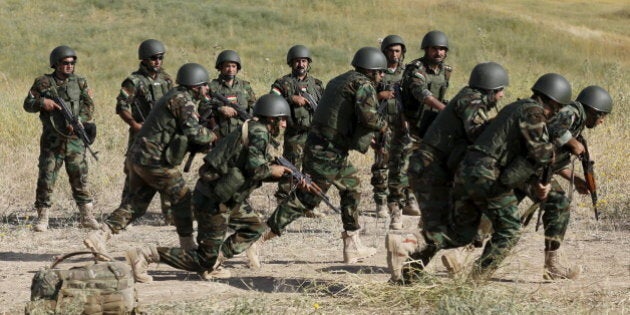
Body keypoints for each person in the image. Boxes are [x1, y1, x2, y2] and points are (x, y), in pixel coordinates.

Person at [386, 73, 572, 283]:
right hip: (486, 175)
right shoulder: (533, 113)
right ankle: (475, 283)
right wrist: (557, 152)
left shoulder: (514, 108)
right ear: (555, 102)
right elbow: (541, 152)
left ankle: (409, 262)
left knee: (461, 233)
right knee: (509, 229)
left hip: (466, 172)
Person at [124, 94, 296, 282]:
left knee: (254, 227)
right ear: (272, 118)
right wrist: (276, 171)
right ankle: (147, 255)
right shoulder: (259, 133)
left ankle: (216, 260)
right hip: (213, 200)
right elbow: (256, 170)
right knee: (203, 261)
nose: (284, 125)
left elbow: (249, 168)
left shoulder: (254, 129)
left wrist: (284, 173)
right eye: (282, 120)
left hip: (226, 195)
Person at [254, 47, 389, 264]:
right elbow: (370, 118)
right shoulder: (363, 84)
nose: (382, 76)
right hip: (327, 152)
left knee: (352, 187)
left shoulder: (340, 80)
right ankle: (257, 238)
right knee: (306, 200)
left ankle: (352, 243)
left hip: (324, 147)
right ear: (370, 70)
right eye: (379, 72)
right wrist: (385, 128)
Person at [84, 63, 217, 256]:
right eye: (204, 85)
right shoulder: (183, 100)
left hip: (139, 157)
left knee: (135, 205)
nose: (206, 89)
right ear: (196, 85)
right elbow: (195, 133)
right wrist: (215, 136)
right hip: (154, 159)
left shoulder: (173, 96)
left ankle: (100, 236)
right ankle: (188, 245)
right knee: (182, 195)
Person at [406, 62, 509, 271]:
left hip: (432, 167)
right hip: (430, 168)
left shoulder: (467, 97)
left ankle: (408, 271)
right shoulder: (471, 100)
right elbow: (477, 133)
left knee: (439, 223)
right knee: (444, 223)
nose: (501, 97)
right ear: (490, 89)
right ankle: (405, 246)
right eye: (499, 92)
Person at [517, 85, 613, 280]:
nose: (602, 121)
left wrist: (575, 179)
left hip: (536, 169)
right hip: (522, 166)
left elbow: (556, 160)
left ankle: (551, 265)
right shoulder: (572, 112)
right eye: (602, 115)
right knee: (503, 209)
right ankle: (462, 252)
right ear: (593, 111)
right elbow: (553, 128)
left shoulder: (576, 124)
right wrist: (573, 143)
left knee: (557, 202)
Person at [23, 45, 100, 232]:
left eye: (72, 63)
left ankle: (87, 216)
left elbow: (89, 107)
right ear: (55, 64)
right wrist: (43, 102)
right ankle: (42, 217)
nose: (69, 66)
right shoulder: (42, 83)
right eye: (65, 63)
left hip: (74, 140)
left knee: (79, 177)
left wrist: (79, 120)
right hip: (52, 140)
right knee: (46, 177)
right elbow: (27, 104)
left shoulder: (80, 82)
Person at [115, 39, 175, 225]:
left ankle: (171, 215)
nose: (157, 61)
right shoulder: (134, 81)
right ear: (144, 59)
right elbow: (121, 106)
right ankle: (124, 215)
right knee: (134, 173)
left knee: (167, 170)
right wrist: (134, 124)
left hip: (163, 134)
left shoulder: (166, 79)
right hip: (141, 135)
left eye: (160, 58)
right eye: (153, 58)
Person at [370, 35, 420, 230]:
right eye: (390, 50)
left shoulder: (407, 73)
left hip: (402, 125)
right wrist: (379, 95)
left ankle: (408, 200)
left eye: (398, 51)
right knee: (382, 164)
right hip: (382, 124)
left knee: (405, 164)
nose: (394, 54)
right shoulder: (376, 72)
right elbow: (364, 95)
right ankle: (381, 201)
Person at [269, 45, 325, 218]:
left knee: (312, 169)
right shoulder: (283, 83)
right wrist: (291, 98)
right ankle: (284, 199)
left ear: (308, 63)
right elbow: (271, 99)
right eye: (297, 61)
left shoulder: (316, 84)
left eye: (304, 61)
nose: (301, 64)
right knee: (291, 167)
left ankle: (308, 204)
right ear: (291, 63)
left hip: (314, 133)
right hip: (295, 133)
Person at [401, 30, 452, 140]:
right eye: (434, 49)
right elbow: (421, 93)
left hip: (433, 122)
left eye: (442, 49)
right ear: (426, 49)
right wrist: (444, 109)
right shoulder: (416, 69)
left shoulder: (446, 71)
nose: (438, 53)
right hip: (412, 123)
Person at [208, 50, 257, 139]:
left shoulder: (245, 86)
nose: (230, 69)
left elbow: (254, 105)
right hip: (220, 134)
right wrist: (220, 108)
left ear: (237, 68)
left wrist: (253, 117)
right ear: (220, 67)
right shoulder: (212, 86)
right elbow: (203, 107)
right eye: (227, 66)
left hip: (243, 132)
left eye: (233, 66)